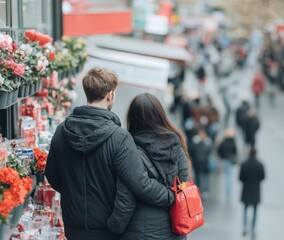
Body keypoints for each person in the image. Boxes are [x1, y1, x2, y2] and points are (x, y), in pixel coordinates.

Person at [45, 68, 173, 240]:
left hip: (72, 225)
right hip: (107, 227)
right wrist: (169, 196)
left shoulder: (62, 131)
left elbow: (51, 174)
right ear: (110, 95)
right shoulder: (119, 137)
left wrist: (72, 191)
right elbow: (139, 183)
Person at [120, 93, 190, 239]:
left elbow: (126, 199)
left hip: (139, 231)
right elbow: (183, 182)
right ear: (160, 115)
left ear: (133, 117)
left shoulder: (129, 149)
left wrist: (114, 227)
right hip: (174, 229)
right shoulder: (174, 142)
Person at [239, 148, 265, 238]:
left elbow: (240, 177)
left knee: (245, 209)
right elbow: (263, 176)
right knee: (255, 210)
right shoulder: (260, 164)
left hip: (246, 189)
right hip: (256, 190)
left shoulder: (244, 164)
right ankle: (253, 228)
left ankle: (245, 226)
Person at [189, 129, 213, 197]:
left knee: (205, 177)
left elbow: (209, 153)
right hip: (197, 163)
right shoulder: (195, 142)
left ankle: (205, 190)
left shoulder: (207, 143)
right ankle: (199, 189)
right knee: (198, 177)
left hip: (205, 163)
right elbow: (191, 151)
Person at [218, 129, 238, 197]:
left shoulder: (223, 143)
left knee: (226, 175)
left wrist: (221, 157)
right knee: (230, 176)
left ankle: (226, 189)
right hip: (230, 161)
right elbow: (235, 152)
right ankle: (228, 190)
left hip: (224, 160)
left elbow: (219, 151)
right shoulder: (233, 143)